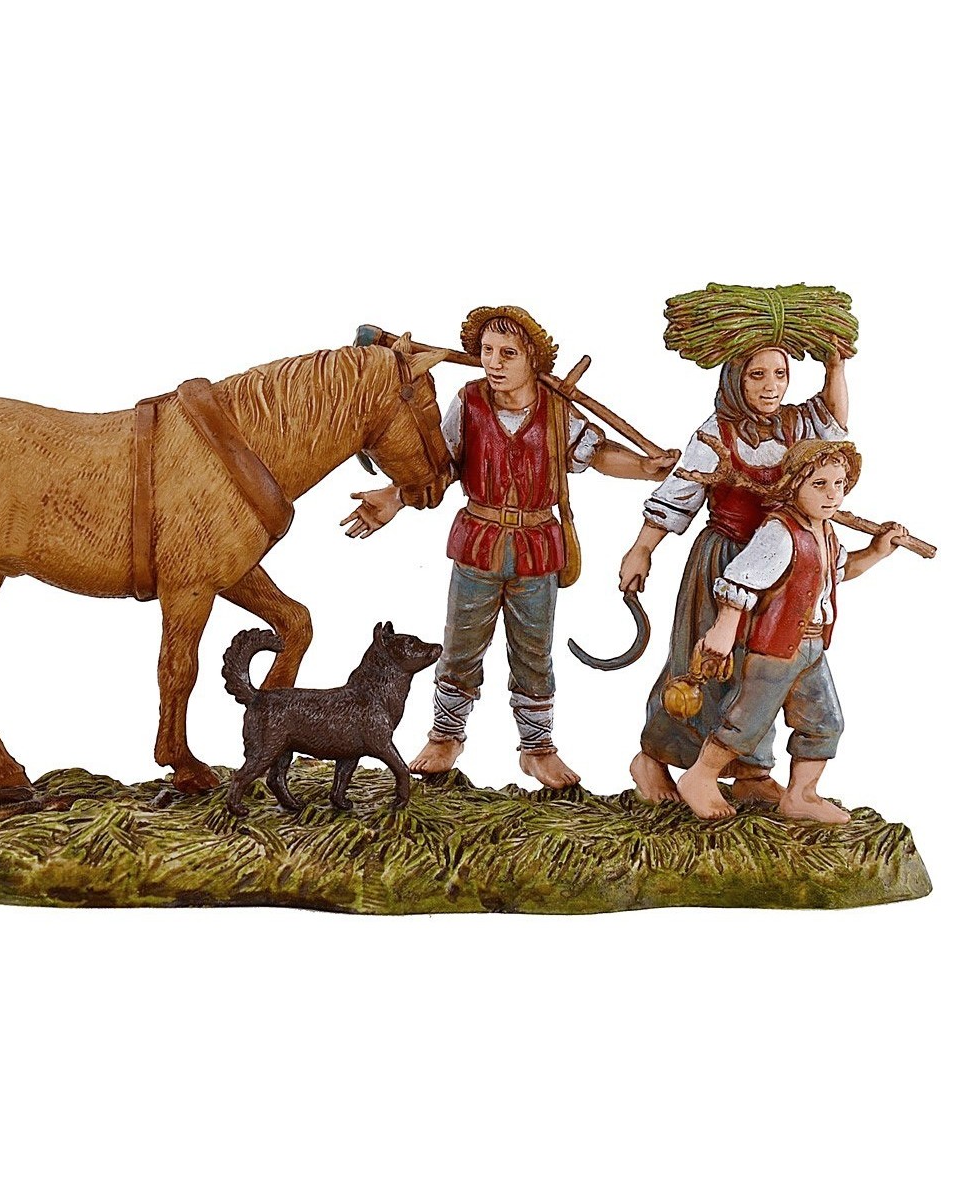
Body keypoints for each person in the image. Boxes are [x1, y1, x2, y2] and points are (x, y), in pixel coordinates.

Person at [342, 305, 676, 788]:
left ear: (532, 359)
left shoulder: (557, 411)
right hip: (478, 543)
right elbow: (443, 467)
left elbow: (598, 454)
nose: (494, 363)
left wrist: (643, 468)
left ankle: (537, 748)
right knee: (460, 646)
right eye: (487, 351)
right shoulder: (469, 402)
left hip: (537, 550)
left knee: (534, 653)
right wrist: (395, 497)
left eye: (508, 353)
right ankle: (445, 736)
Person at [619, 343, 851, 805]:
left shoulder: (797, 424)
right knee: (704, 665)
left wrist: (835, 366)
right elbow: (678, 494)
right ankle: (653, 759)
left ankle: (751, 772)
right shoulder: (715, 434)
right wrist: (642, 549)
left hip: (786, 567)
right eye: (756, 376)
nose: (770, 387)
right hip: (726, 562)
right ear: (735, 380)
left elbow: (835, 425)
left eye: (780, 375)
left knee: (764, 673)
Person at [676, 439, 905, 821]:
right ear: (795, 484)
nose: (833, 494)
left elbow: (839, 572)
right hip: (775, 650)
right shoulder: (779, 533)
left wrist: (876, 552)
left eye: (839, 484)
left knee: (824, 721)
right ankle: (700, 777)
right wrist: (723, 630)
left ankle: (801, 795)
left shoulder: (826, 533)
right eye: (820, 484)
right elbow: (740, 581)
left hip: (812, 646)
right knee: (745, 722)